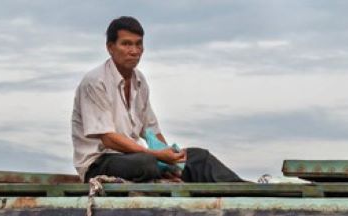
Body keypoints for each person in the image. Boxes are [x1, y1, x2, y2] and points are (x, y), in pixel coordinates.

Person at [71, 16, 244, 183]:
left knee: (199, 157)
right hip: (99, 162)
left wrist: (170, 159)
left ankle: (248, 190)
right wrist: (157, 156)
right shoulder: (95, 81)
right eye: (126, 44)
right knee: (146, 163)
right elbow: (108, 139)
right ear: (110, 47)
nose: (134, 51)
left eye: (138, 44)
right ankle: (161, 172)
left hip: (134, 157)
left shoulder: (140, 81)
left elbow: (152, 130)